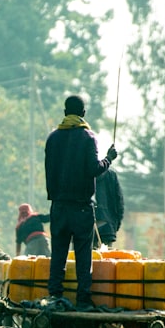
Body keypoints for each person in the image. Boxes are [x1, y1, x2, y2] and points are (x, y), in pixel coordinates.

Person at [44, 94, 117, 310]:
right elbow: (93, 169)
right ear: (83, 113)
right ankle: (83, 299)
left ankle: (55, 296)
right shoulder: (88, 137)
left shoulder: (53, 138)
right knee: (83, 257)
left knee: (58, 254)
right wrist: (109, 159)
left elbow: (50, 170)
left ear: (65, 112)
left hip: (58, 206)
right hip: (81, 208)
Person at [95, 167, 124, 247]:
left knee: (80, 257)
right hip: (107, 226)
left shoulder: (78, 173)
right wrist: (115, 226)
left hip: (81, 227)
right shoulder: (111, 175)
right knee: (105, 258)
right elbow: (119, 201)